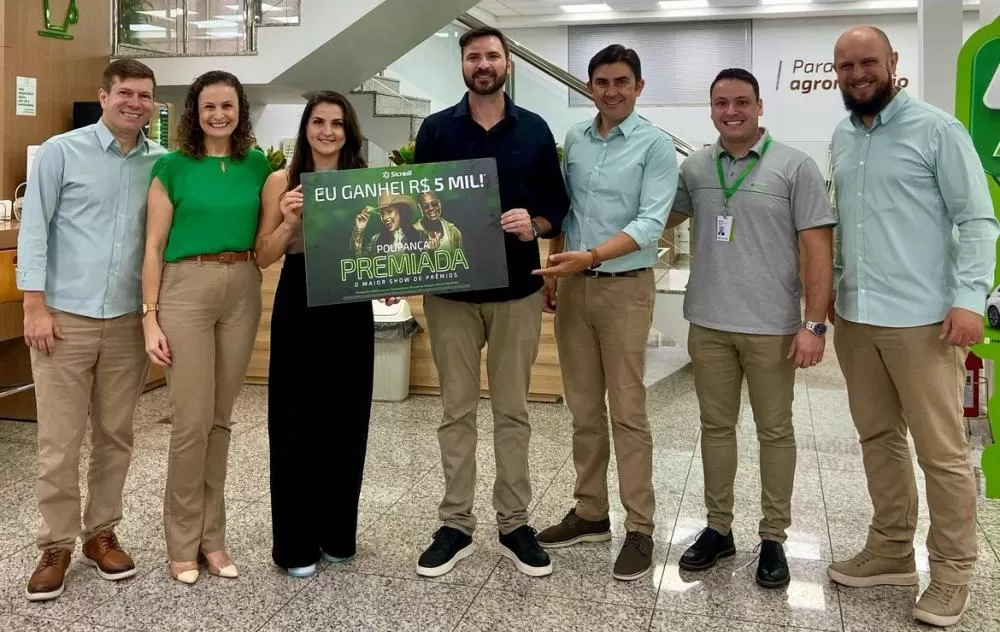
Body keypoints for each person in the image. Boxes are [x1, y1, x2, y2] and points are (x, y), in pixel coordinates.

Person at [826, 27, 999, 627]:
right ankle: (891, 550)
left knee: (943, 454)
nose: (856, 74)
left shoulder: (936, 130)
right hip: (856, 318)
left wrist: (969, 298)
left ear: (892, 63)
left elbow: (977, 219)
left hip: (925, 322)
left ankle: (953, 574)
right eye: (845, 66)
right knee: (878, 440)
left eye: (867, 62)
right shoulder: (843, 138)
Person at [410, 25, 569, 579]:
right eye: (474, 56)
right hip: (450, 294)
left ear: (507, 64)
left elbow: (557, 206)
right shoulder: (434, 131)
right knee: (455, 411)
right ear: (463, 65)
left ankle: (514, 524)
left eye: (492, 55)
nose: (483, 63)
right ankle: (456, 524)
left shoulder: (536, 129)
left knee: (512, 411)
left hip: (517, 292)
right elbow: (413, 206)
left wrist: (536, 223)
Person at [667, 68, 835, 589]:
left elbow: (817, 249)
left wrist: (815, 323)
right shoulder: (695, 167)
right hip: (710, 324)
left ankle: (773, 537)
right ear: (711, 109)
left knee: (774, 431)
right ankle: (719, 530)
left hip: (773, 329)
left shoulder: (795, 167)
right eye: (722, 103)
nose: (732, 111)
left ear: (760, 106)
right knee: (714, 430)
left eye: (742, 102)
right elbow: (658, 219)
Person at [16, 58, 166, 602]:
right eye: (125, 92)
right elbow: (35, 230)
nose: (134, 102)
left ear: (153, 104)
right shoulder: (61, 151)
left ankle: (100, 533)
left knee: (115, 436)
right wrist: (34, 307)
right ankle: (54, 543)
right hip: (65, 320)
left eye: (144, 95)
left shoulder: (162, 164)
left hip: (128, 321)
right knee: (59, 441)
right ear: (103, 96)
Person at [532, 44, 678, 582]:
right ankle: (590, 512)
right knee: (585, 409)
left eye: (621, 82)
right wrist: (557, 265)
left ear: (639, 87)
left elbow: (649, 222)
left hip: (624, 288)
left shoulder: (655, 146)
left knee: (628, 412)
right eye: (601, 82)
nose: (611, 91)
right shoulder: (576, 139)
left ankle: (640, 525)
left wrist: (591, 257)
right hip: (574, 288)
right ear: (588, 87)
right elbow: (568, 208)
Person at [140, 70, 272, 584]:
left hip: (242, 286)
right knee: (191, 422)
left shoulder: (257, 166)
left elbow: (267, 237)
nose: (219, 115)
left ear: (241, 111)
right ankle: (181, 540)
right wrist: (149, 316)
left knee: (220, 421)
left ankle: (212, 540)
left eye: (229, 106)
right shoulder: (171, 167)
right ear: (194, 112)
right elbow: (152, 247)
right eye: (209, 106)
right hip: (185, 289)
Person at [254, 90, 375, 579]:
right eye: (318, 122)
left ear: (349, 132)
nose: (327, 131)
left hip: (349, 304)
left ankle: (338, 534)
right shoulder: (280, 180)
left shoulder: (363, 182)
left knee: (347, 420)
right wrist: (287, 221)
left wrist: (388, 281)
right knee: (294, 422)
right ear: (305, 128)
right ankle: (296, 544)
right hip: (298, 301)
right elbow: (262, 254)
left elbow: (382, 249)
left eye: (337, 124)